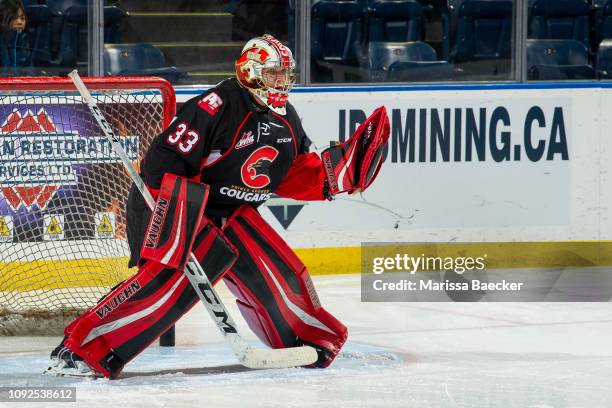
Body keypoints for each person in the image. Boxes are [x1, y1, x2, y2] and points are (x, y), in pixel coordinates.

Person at [45, 34, 389, 379]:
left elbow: (292, 172)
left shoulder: (286, 118)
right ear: (251, 72)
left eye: (286, 74)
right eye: (274, 74)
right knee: (172, 282)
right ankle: (82, 349)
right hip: (174, 201)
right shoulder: (215, 106)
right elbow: (164, 165)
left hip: (230, 209)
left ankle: (304, 338)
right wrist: (182, 222)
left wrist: (336, 174)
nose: (282, 82)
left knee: (277, 269)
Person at [0, 0, 33, 76]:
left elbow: (30, 71)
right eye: (14, 17)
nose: (19, 22)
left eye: (22, 18)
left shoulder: (24, 42)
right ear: (3, 20)